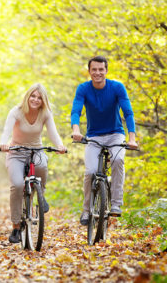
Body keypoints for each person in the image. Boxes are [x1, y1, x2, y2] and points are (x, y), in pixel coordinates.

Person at [70, 55, 138, 226]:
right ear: (89, 71)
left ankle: (116, 204)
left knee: (118, 159)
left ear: (106, 71)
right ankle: (86, 210)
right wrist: (76, 130)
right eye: (94, 69)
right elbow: (76, 111)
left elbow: (128, 113)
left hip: (115, 134)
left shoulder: (117, 87)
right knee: (90, 172)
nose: (98, 73)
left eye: (101, 69)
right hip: (93, 136)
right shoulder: (83, 89)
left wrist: (132, 138)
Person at [0, 83, 67, 243]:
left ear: (43, 101)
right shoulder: (16, 112)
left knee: (42, 165)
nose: (35, 100)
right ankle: (16, 226)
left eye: (39, 97)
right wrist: (3, 144)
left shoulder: (45, 113)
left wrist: (60, 145)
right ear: (27, 96)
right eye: (33, 96)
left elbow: (53, 132)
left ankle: (40, 196)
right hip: (16, 152)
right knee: (17, 185)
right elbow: (6, 131)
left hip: (37, 150)